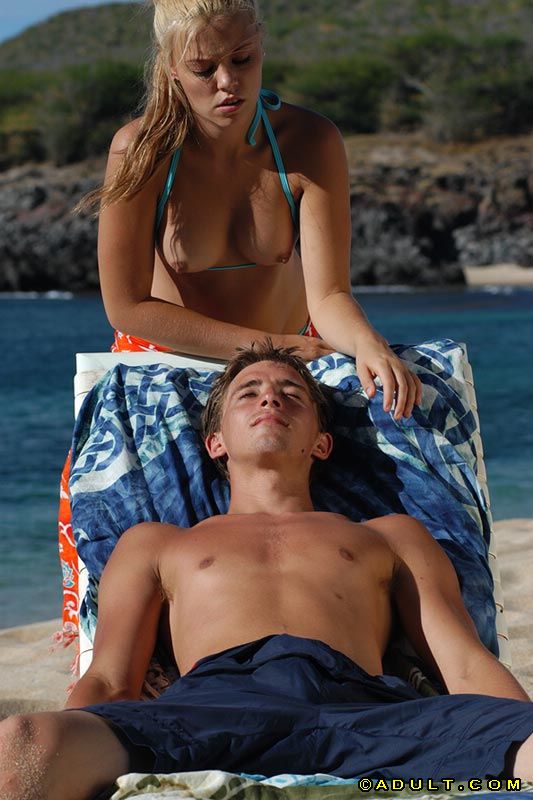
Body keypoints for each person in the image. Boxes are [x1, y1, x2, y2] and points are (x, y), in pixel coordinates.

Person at [2, 341, 533, 800]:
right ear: (216, 442)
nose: (271, 399)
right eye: (249, 393)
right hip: (211, 712)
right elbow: (111, 679)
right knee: (22, 743)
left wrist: (519, 728)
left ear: (321, 443)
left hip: (364, 712)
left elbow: (464, 663)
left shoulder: (391, 536)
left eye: (292, 394)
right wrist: (68, 738)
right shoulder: (158, 544)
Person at [58, 0, 422, 646]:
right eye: (204, 68)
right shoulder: (142, 149)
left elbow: (329, 294)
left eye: (243, 59)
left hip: (283, 367)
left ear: (261, 47)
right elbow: (126, 306)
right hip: (171, 363)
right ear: (171, 66)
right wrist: (270, 347)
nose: (228, 82)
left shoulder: (309, 142)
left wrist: (367, 344)